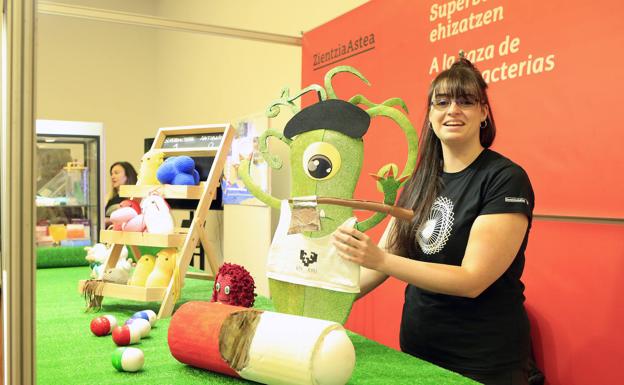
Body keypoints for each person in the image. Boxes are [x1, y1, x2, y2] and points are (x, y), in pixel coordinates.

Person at [332, 56, 534, 385]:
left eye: (466, 101)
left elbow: (472, 280)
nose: (453, 109)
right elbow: (380, 262)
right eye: (442, 102)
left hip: (484, 360)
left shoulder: (504, 179)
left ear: (483, 112)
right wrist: (323, 295)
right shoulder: (417, 182)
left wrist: (380, 259)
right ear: (429, 114)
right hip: (418, 349)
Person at [104, 161, 138, 228]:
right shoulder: (110, 199)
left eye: (116, 173)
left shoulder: (135, 198)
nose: (112, 176)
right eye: (111, 174)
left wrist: (108, 221)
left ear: (127, 176)